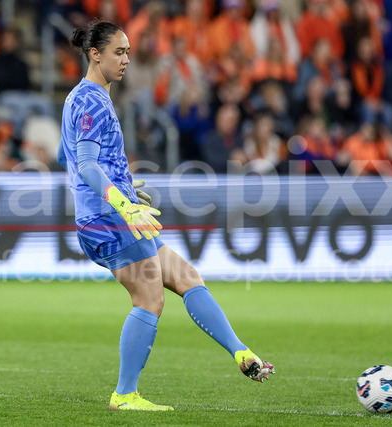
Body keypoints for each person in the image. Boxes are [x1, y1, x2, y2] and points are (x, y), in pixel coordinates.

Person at [57, 21, 274, 412]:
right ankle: (125, 395)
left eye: (127, 52)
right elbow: (86, 164)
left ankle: (241, 352)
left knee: (187, 277)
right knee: (149, 299)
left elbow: (65, 156)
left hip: (111, 214)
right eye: (118, 52)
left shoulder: (80, 97)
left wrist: (123, 187)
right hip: (111, 220)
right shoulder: (91, 101)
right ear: (95, 54)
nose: (126, 59)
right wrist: (122, 203)